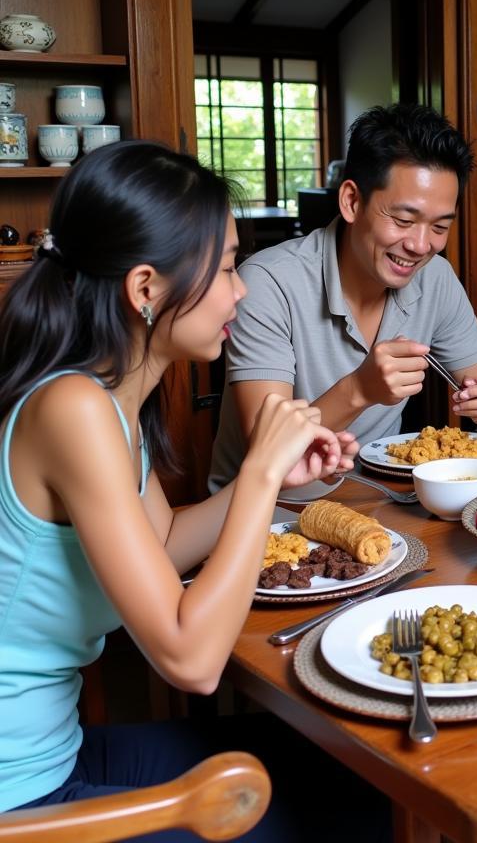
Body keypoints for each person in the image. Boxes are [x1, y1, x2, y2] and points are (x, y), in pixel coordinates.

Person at [0, 142, 389, 840]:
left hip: (50, 756)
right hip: (19, 795)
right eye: (229, 267)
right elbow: (191, 661)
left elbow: (170, 542)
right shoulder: (73, 409)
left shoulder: (109, 398)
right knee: (332, 815)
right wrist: (262, 472)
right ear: (146, 288)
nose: (240, 291)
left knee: (350, 776)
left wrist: (265, 484)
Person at [209, 103, 477, 500]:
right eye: (404, 220)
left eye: (440, 226)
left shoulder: (435, 278)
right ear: (352, 201)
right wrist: (360, 389)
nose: (421, 245)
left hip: (376, 504)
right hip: (268, 518)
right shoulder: (267, 283)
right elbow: (269, 453)